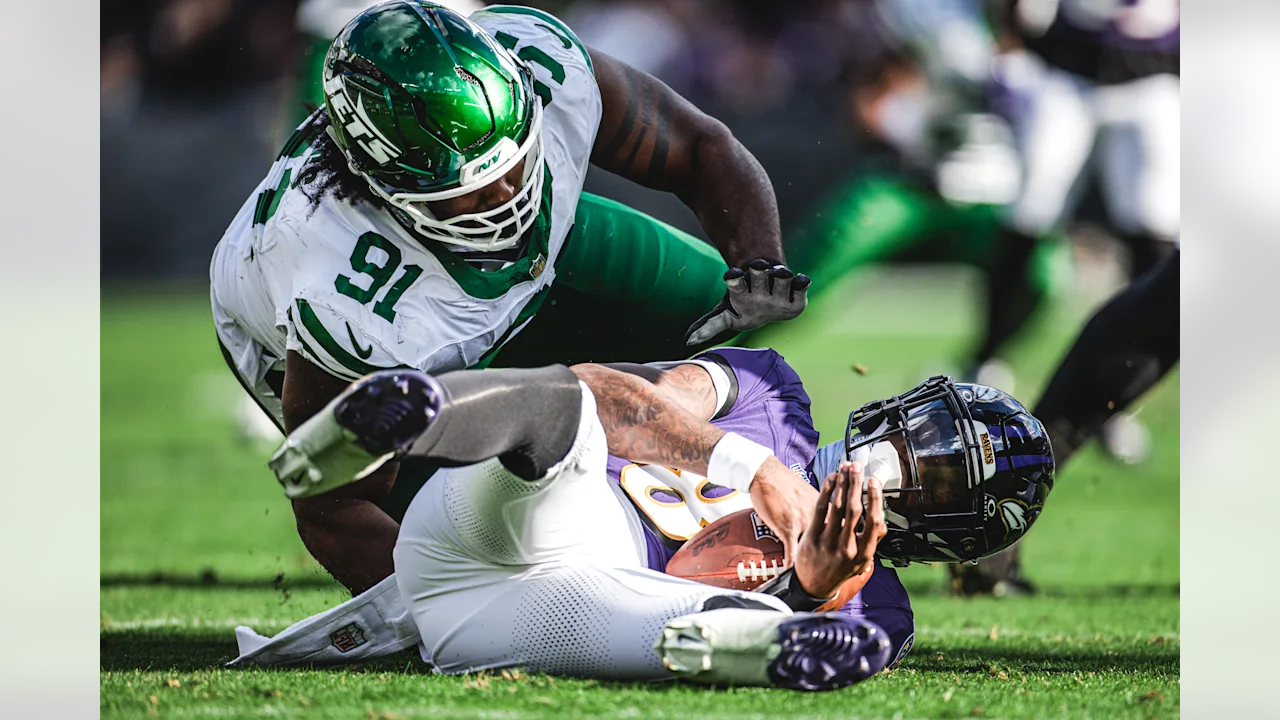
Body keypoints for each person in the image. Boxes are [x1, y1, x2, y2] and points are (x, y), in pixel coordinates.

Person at [211, 2, 809, 595]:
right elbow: (334, 511)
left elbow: (702, 146)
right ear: (386, 186)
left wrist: (761, 259)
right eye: (467, 191)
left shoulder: (543, 66)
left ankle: (668, 474)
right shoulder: (337, 288)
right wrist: (452, 607)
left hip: (551, 257)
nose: (505, 196)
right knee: (481, 540)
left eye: (519, 160)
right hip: (408, 331)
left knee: (705, 296)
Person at [232, 347, 1055, 689]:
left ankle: (771, 638)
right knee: (565, 413)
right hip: (505, 523)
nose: (908, 461)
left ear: (952, 535)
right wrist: (752, 467)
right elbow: (605, 391)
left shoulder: (875, 602)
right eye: (930, 437)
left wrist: (811, 588)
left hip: (562, 611)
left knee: (768, 631)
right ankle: (400, 420)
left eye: (940, 478)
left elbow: (691, 579)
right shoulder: (772, 393)